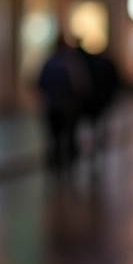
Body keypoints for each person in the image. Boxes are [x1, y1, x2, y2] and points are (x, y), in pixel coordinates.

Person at [38, 38, 89, 170]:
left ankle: (56, 163)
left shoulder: (50, 63)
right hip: (68, 107)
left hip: (52, 107)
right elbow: (81, 85)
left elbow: (40, 83)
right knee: (69, 135)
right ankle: (69, 163)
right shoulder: (71, 63)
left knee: (54, 137)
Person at [80, 48, 120, 160]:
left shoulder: (88, 65)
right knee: (100, 124)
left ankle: (92, 147)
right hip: (103, 101)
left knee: (91, 125)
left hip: (93, 101)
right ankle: (98, 145)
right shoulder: (107, 64)